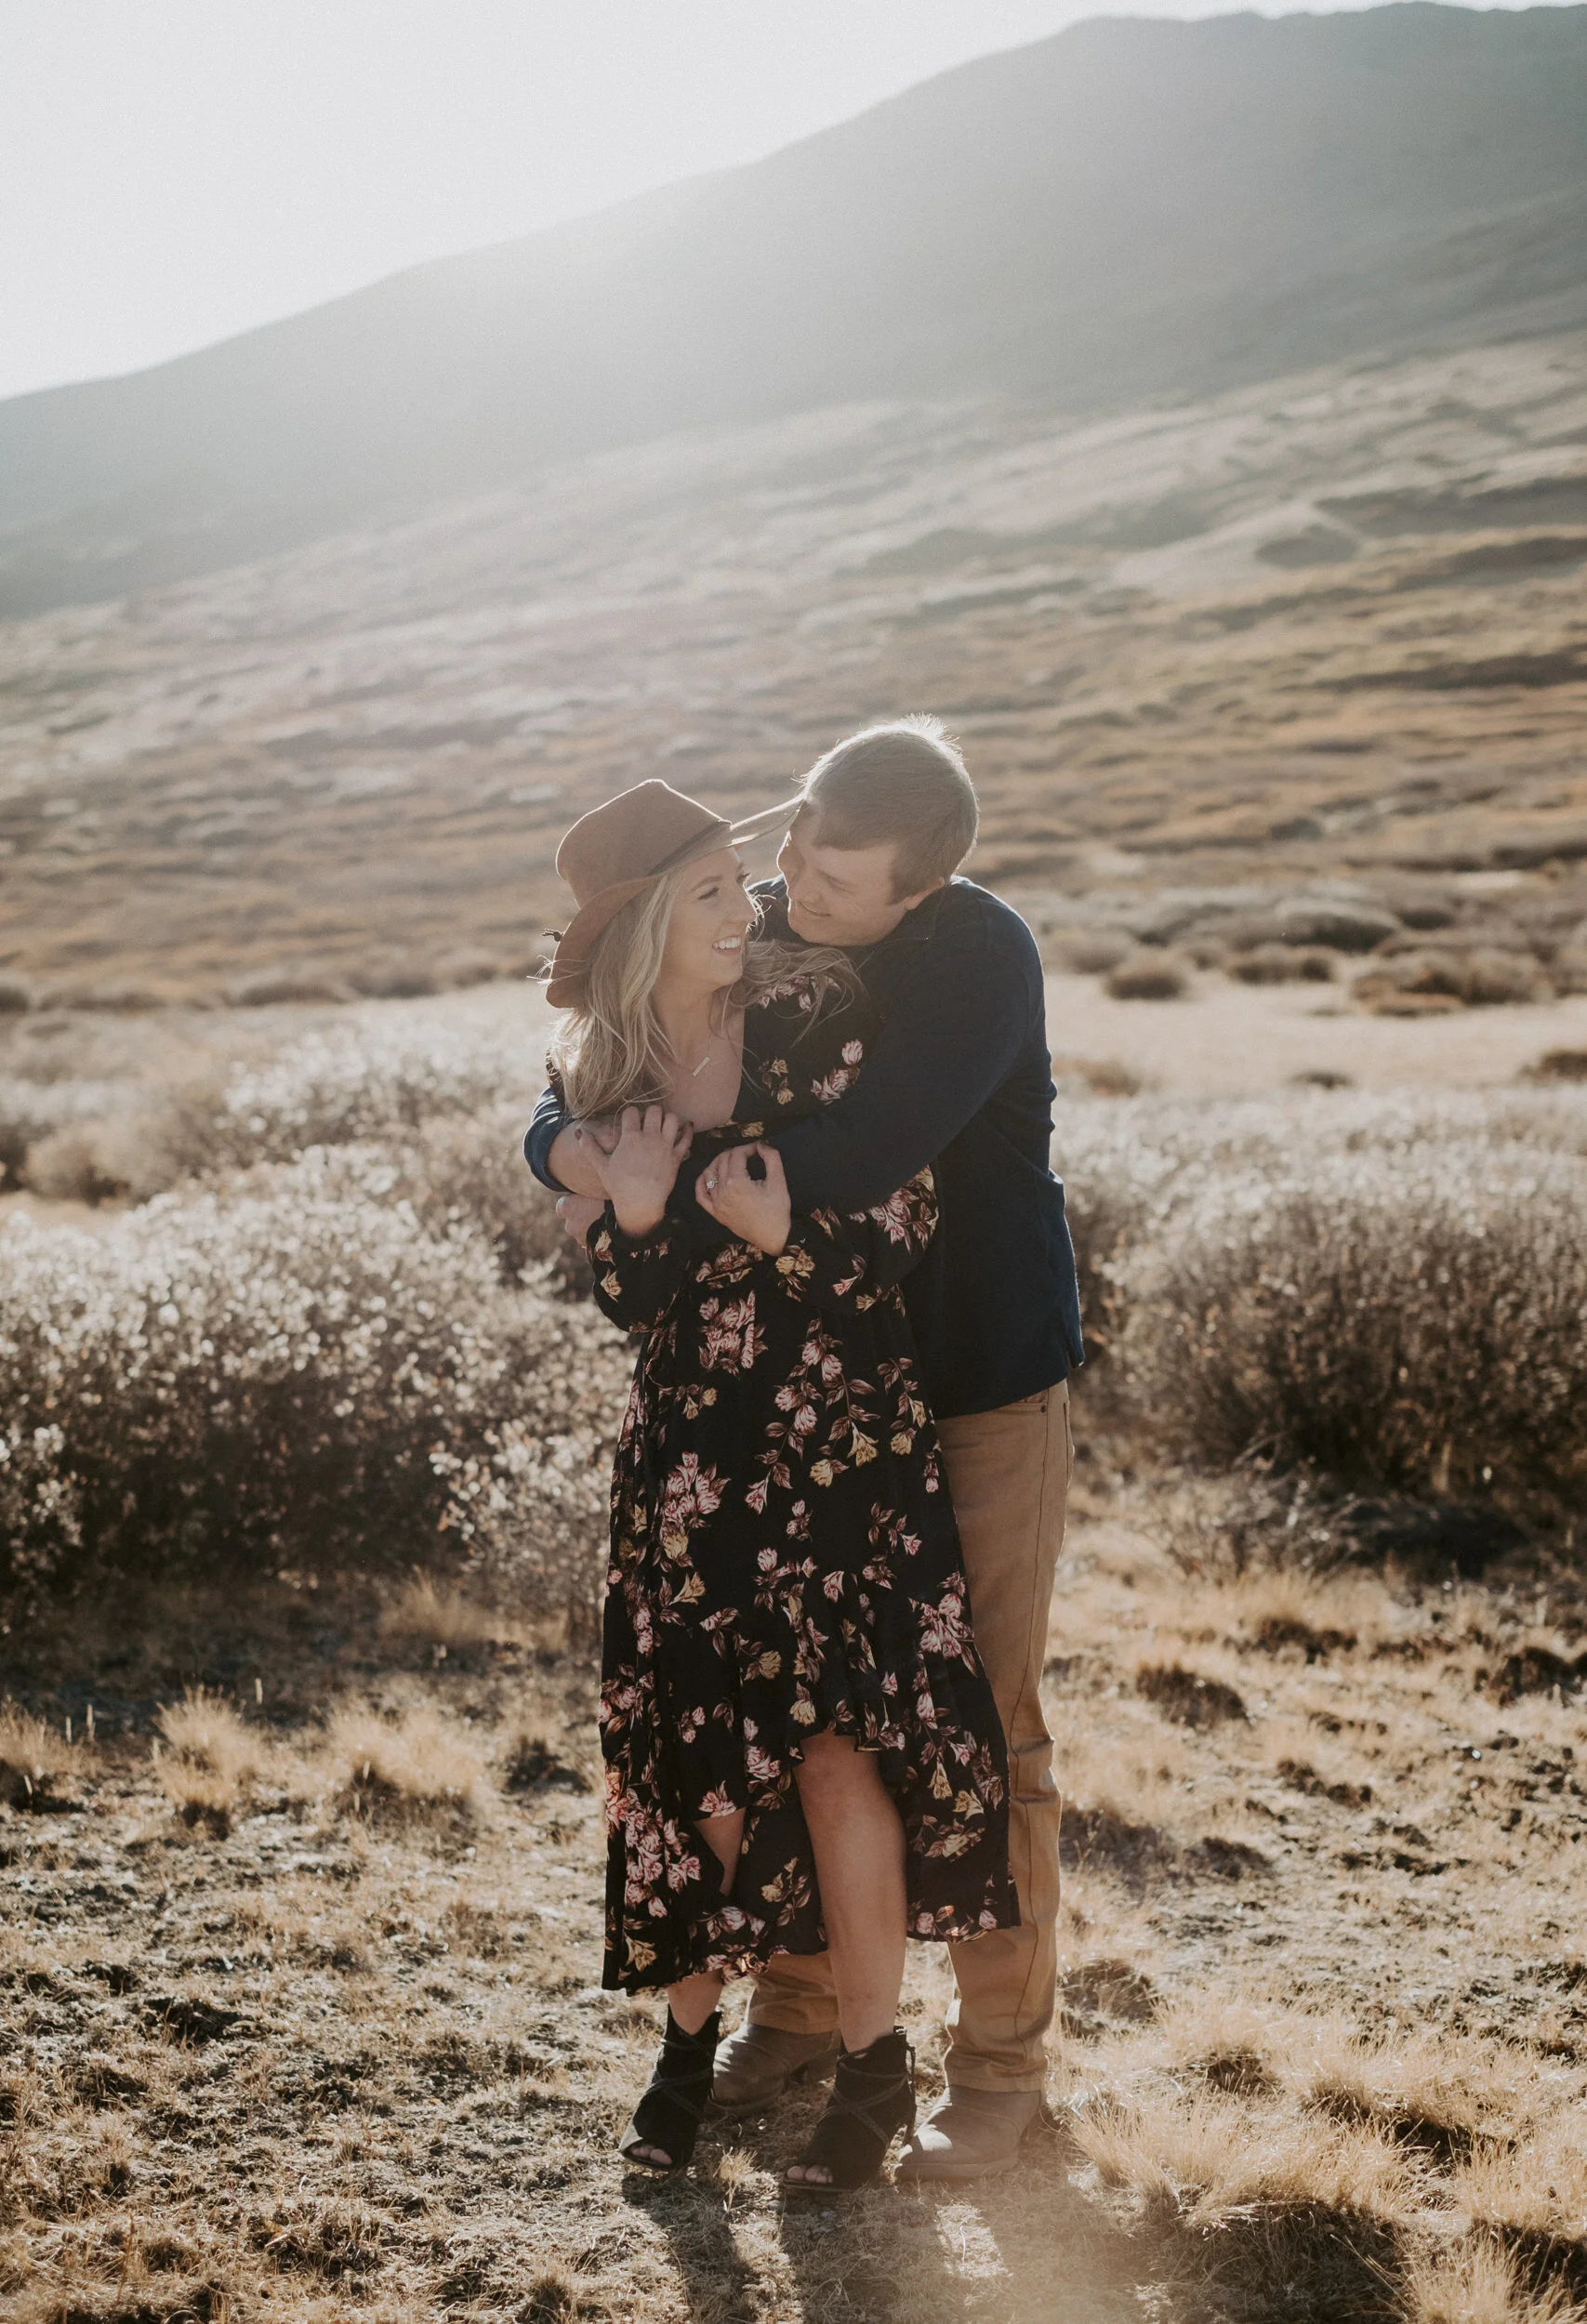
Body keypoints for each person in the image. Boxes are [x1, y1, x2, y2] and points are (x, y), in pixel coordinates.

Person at [528, 718, 1085, 2183]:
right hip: (790, 1403)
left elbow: (866, 1153)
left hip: (972, 1381)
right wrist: (569, 1146)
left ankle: (996, 2074)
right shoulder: (775, 913)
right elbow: (616, 1027)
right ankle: (805, 2010)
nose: (785, 888)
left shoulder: (973, 957)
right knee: (790, 1710)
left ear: (912, 887)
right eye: (784, 853)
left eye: (826, 876)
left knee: (976, 1726)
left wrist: (657, 1180)